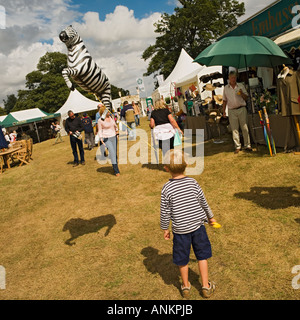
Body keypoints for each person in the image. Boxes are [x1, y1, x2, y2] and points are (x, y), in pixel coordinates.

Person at [160, 150, 217, 299]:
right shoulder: (193, 183)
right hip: (198, 227)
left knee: (182, 259)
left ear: (166, 168)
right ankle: (205, 286)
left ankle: (185, 287)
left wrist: (165, 228)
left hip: (180, 231)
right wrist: (211, 217)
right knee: (202, 256)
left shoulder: (167, 188)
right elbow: (203, 202)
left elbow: (164, 212)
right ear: (185, 165)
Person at [222, 71, 252, 154]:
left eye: (234, 77)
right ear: (228, 78)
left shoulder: (241, 86)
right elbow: (224, 100)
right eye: (231, 78)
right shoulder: (226, 88)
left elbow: (246, 97)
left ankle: (247, 145)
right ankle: (237, 146)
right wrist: (223, 111)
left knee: (245, 127)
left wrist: (242, 93)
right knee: (234, 129)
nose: (233, 79)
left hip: (241, 108)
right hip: (231, 110)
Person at [97, 105, 120, 176]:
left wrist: (117, 131)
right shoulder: (100, 120)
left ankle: (114, 166)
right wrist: (101, 138)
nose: (108, 112)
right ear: (103, 112)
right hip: (106, 138)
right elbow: (100, 130)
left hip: (114, 137)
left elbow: (115, 125)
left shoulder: (111, 117)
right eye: (107, 111)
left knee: (114, 154)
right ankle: (116, 171)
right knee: (112, 153)